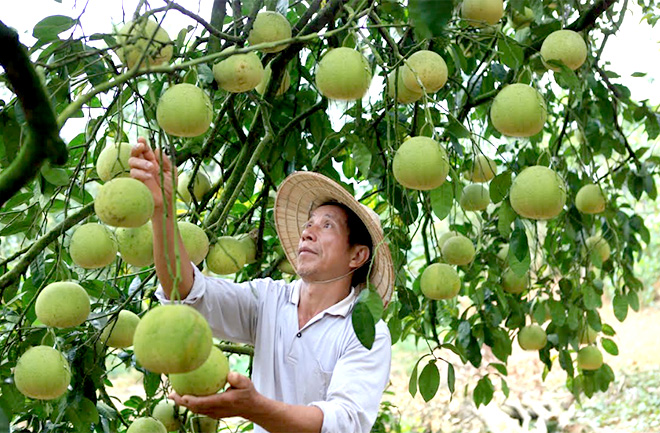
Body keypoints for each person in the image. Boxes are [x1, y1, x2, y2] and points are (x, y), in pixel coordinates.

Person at [129, 137, 395, 433]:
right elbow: (186, 291)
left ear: (357, 255)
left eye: (327, 225)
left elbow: (343, 423)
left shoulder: (365, 333)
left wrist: (254, 407)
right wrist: (162, 212)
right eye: (309, 223)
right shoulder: (269, 299)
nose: (307, 233)